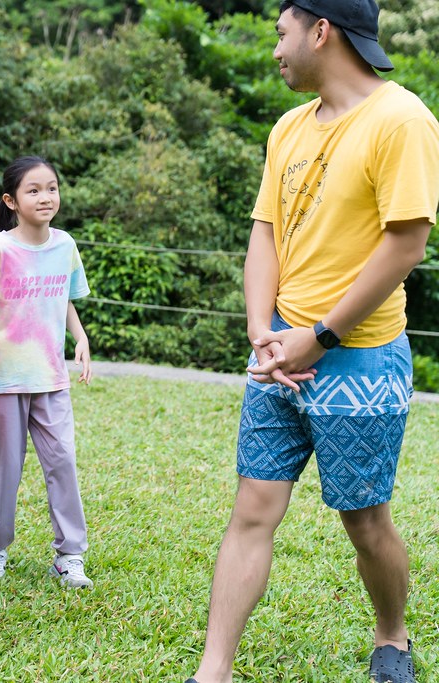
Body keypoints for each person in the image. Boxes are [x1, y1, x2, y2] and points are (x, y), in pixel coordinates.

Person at [186, 3, 439, 682]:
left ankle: (392, 633)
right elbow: (266, 231)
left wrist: (321, 336)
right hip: (278, 358)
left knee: (365, 522)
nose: (276, 50)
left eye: (280, 33)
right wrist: (261, 330)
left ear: (320, 30)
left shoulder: (403, 119)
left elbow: (407, 242)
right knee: (252, 511)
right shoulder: (288, 128)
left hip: (358, 359)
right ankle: (214, 670)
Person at [0, 155, 94, 589]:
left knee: (63, 462)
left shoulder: (65, 245)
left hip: (51, 377)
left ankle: (70, 555)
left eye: (52, 188)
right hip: (3, 379)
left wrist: (79, 338)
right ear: (11, 200)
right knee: (4, 469)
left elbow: (64, 299)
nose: (46, 197)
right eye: (34, 190)